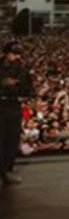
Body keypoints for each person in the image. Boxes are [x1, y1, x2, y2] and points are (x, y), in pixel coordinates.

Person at [0, 41, 33, 186]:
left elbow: (29, 89)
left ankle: (7, 171)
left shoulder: (22, 68)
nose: (16, 57)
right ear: (5, 53)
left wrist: (17, 84)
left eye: (18, 54)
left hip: (14, 104)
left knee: (12, 139)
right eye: (13, 53)